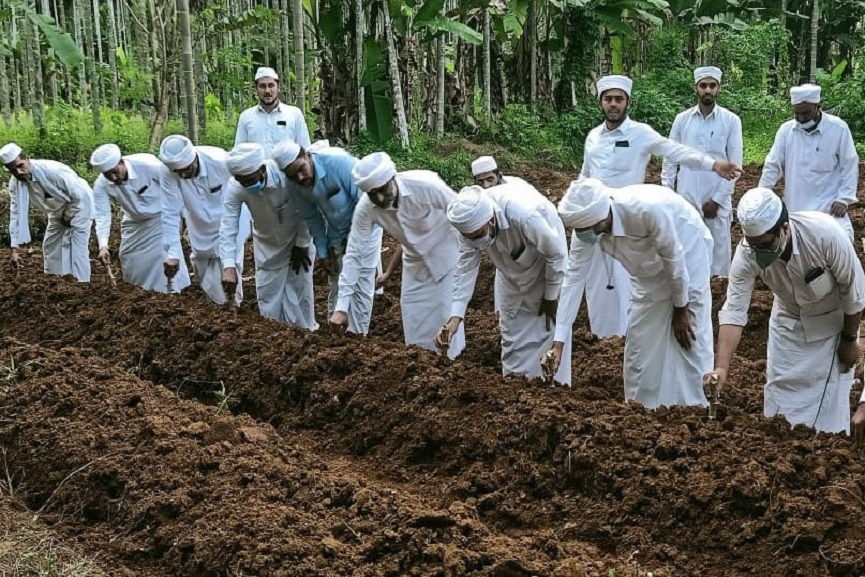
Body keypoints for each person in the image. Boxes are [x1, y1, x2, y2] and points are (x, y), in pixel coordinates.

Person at [577, 74, 740, 339]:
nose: (613, 104)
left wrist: (713, 164)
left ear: (628, 103)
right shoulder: (592, 137)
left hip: (630, 221)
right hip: (597, 221)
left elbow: (675, 151)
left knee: (631, 283)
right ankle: (602, 337)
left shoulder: (639, 133)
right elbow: (585, 175)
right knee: (597, 284)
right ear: (601, 103)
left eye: (619, 99)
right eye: (608, 99)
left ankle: (628, 336)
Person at [709, 187, 865, 434]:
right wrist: (722, 368)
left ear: (784, 228)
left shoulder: (825, 235)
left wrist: (848, 340)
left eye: (764, 245)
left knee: (826, 418)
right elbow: (735, 309)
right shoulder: (747, 252)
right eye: (753, 245)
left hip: (832, 326)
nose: (759, 252)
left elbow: (854, 292)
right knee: (779, 401)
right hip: (788, 322)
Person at [553, 178, 714, 409]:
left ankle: (694, 408)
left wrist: (681, 307)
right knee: (640, 344)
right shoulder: (586, 228)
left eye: (588, 229)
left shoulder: (645, 209)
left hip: (687, 252)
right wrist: (559, 340)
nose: (583, 235)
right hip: (645, 274)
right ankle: (641, 411)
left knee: (688, 337)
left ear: (603, 216)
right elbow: (573, 280)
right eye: (580, 231)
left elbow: (673, 258)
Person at [329, 152, 466, 358]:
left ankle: (452, 368)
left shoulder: (425, 184)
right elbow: (354, 255)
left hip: (447, 256)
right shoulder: (367, 208)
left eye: (383, 190)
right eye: (373, 194)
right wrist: (342, 307)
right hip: (414, 265)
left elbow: (460, 211)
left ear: (393, 178)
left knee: (445, 318)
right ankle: (423, 366)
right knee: (413, 319)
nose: (380, 198)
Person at [437, 182, 570, 384]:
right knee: (512, 335)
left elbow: (556, 255)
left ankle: (553, 393)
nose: (475, 242)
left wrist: (551, 297)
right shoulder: (468, 226)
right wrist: (455, 317)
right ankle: (515, 392)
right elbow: (465, 269)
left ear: (490, 220)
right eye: (469, 237)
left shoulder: (524, 216)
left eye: (478, 235)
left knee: (550, 331)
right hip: (509, 275)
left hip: (546, 268)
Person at [272, 142, 382, 334]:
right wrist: (322, 251)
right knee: (337, 278)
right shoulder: (294, 184)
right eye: (293, 175)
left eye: (301, 169)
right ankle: (336, 333)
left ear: (307, 155)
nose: (300, 177)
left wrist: (354, 241)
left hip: (367, 226)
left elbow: (366, 203)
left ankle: (357, 337)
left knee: (360, 281)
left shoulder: (339, 163)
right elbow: (312, 217)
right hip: (336, 229)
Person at [220, 143, 316, 328]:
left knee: (300, 291)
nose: (247, 185)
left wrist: (302, 243)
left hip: (298, 240)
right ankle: (273, 341)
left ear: (262, 169)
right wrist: (228, 265)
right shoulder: (237, 186)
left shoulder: (286, 177)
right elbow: (228, 225)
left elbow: (308, 207)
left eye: (250, 179)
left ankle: (306, 336)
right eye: (242, 181)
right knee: (268, 296)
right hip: (267, 245)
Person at [661, 66, 743, 277]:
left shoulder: (731, 121)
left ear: (718, 88)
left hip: (718, 203)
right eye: (703, 85)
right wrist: (668, 195)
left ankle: (717, 306)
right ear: (695, 88)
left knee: (718, 263)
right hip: (686, 200)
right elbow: (670, 159)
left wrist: (717, 200)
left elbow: (735, 166)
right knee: (687, 258)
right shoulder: (682, 120)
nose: (708, 90)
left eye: (712, 86)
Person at [758, 83, 859, 239]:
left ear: (818, 107)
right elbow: (773, 165)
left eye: (806, 113)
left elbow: (850, 165)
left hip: (829, 209)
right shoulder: (786, 131)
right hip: (796, 209)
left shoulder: (838, 128)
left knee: (842, 241)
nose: (801, 118)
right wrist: (761, 194)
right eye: (797, 113)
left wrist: (844, 199)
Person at [159, 135, 251, 304]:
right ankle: (216, 311)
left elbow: (242, 191)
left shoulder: (221, 160)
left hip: (230, 223)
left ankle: (232, 310)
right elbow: (169, 212)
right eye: (178, 172)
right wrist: (172, 253)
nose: (183, 174)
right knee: (204, 273)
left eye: (187, 169)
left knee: (230, 273)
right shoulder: (167, 173)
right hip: (199, 226)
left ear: (194, 158)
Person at [91, 143, 190, 293]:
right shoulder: (101, 184)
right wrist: (103, 245)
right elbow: (102, 214)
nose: (112, 177)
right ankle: (137, 292)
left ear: (121, 162)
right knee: (127, 255)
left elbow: (175, 187)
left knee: (161, 254)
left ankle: (170, 292)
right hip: (133, 221)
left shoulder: (148, 165)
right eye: (107, 174)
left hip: (160, 216)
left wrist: (185, 218)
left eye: (114, 171)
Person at [1, 142, 94, 282]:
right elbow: (16, 213)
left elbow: (79, 195)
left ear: (27, 159)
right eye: (13, 170)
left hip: (80, 206)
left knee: (77, 249)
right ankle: (55, 282)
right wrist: (14, 248)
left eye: (21, 166)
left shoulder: (53, 171)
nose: (19, 172)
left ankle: (82, 284)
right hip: (56, 210)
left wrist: (68, 216)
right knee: (50, 245)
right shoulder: (16, 183)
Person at [235, 67, 311, 156]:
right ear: (256, 89)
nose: (267, 91)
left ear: (278, 88)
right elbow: (239, 152)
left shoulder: (294, 114)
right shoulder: (246, 117)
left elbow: (305, 150)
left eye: (271, 85)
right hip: (258, 169)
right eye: (262, 86)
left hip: (286, 170)